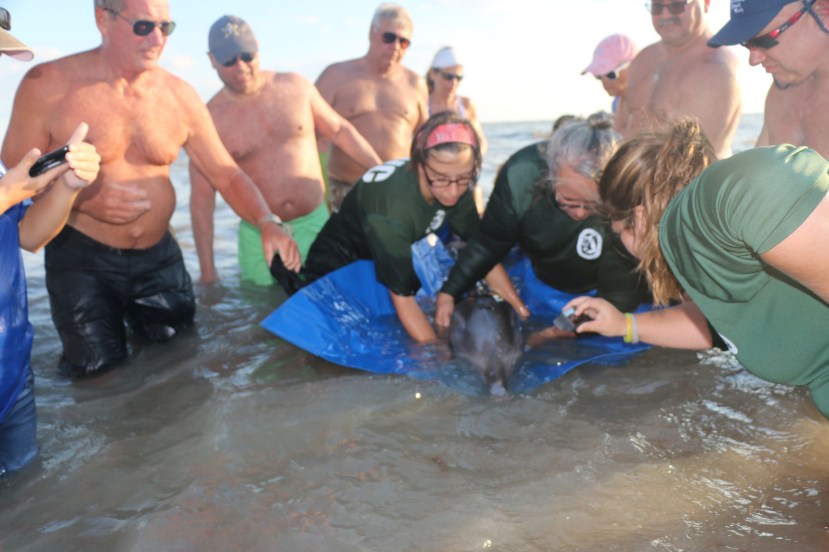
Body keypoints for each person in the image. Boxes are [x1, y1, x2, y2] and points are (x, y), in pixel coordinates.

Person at [1, 0, 299, 376]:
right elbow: (17, 180)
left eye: (166, 27)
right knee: (96, 375)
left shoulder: (180, 95)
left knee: (181, 366)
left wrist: (266, 220)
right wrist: (83, 203)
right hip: (81, 261)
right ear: (102, 19)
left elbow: (225, 172)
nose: (158, 38)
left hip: (159, 257)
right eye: (144, 26)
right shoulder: (46, 85)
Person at [565, 119, 829, 419]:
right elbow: (718, 328)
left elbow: (760, 181)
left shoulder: (699, 212)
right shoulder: (710, 261)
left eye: (619, 234)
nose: (629, 252)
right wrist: (625, 325)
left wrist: (717, 193)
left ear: (638, 218)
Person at [270, 112, 525, 344]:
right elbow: (402, 297)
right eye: (440, 179)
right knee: (326, 337)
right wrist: (435, 352)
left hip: (386, 248)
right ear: (418, 164)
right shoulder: (394, 210)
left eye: (464, 178)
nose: (453, 191)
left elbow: (482, 252)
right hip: (340, 260)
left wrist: (520, 311)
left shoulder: (454, 181)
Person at [190, 15, 382, 287]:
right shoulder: (208, 119)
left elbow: (340, 131)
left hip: (316, 225)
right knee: (262, 313)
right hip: (257, 236)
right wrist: (208, 272)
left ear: (257, 46)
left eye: (247, 55)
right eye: (228, 60)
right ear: (212, 60)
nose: (240, 66)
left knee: (335, 302)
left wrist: (380, 167)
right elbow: (201, 200)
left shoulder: (295, 87)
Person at [434, 112, 650, 337]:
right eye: (569, 201)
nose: (579, 213)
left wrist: (554, 333)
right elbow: (489, 242)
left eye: (592, 206)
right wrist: (449, 292)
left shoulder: (623, 195)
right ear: (550, 175)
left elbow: (619, 296)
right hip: (540, 280)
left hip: (601, 292)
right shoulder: (523, 173)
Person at [0, 11, 102, 474]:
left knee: (25, 502)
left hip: (12, 368)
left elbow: (29, 237)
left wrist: (66, 187)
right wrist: (8, 193)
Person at [315, 3, 428, 212]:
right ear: (371, 34)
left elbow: (426, 141)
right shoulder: (336, 76)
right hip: (345, 192)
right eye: (389, 37)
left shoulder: (416, 84)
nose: (395, 46)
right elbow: (305, 132)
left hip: (397, 192)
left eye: (404, 42)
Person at [618, 0, 742, 159]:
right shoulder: (641, 59)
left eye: (677, 4)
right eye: (657, 6)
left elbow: (695, 166)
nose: (666, 14)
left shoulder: (715, 69)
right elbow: (620, 128)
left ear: (706, 4)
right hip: (632, 179)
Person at [707, 0, 829, 157]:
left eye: (764, 41)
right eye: (747, 44)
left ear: (822, 10)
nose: (753, 60)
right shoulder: (782, 92)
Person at [581, 34, 639, 127]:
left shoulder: (651, 101)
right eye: (598, 76)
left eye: (611, 74)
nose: (604, 81)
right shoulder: (617, 103)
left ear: (631, 66)